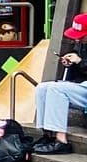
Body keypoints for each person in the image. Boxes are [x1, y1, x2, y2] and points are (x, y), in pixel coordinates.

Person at [31, 12, 87, 154]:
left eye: (81, 36)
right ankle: (47, 134)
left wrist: (80, 62)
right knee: (42, 88)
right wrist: (70, 63)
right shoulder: (80, 45)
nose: (78, 40)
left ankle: (61, 140)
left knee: (57, 89)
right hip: (81, 85)